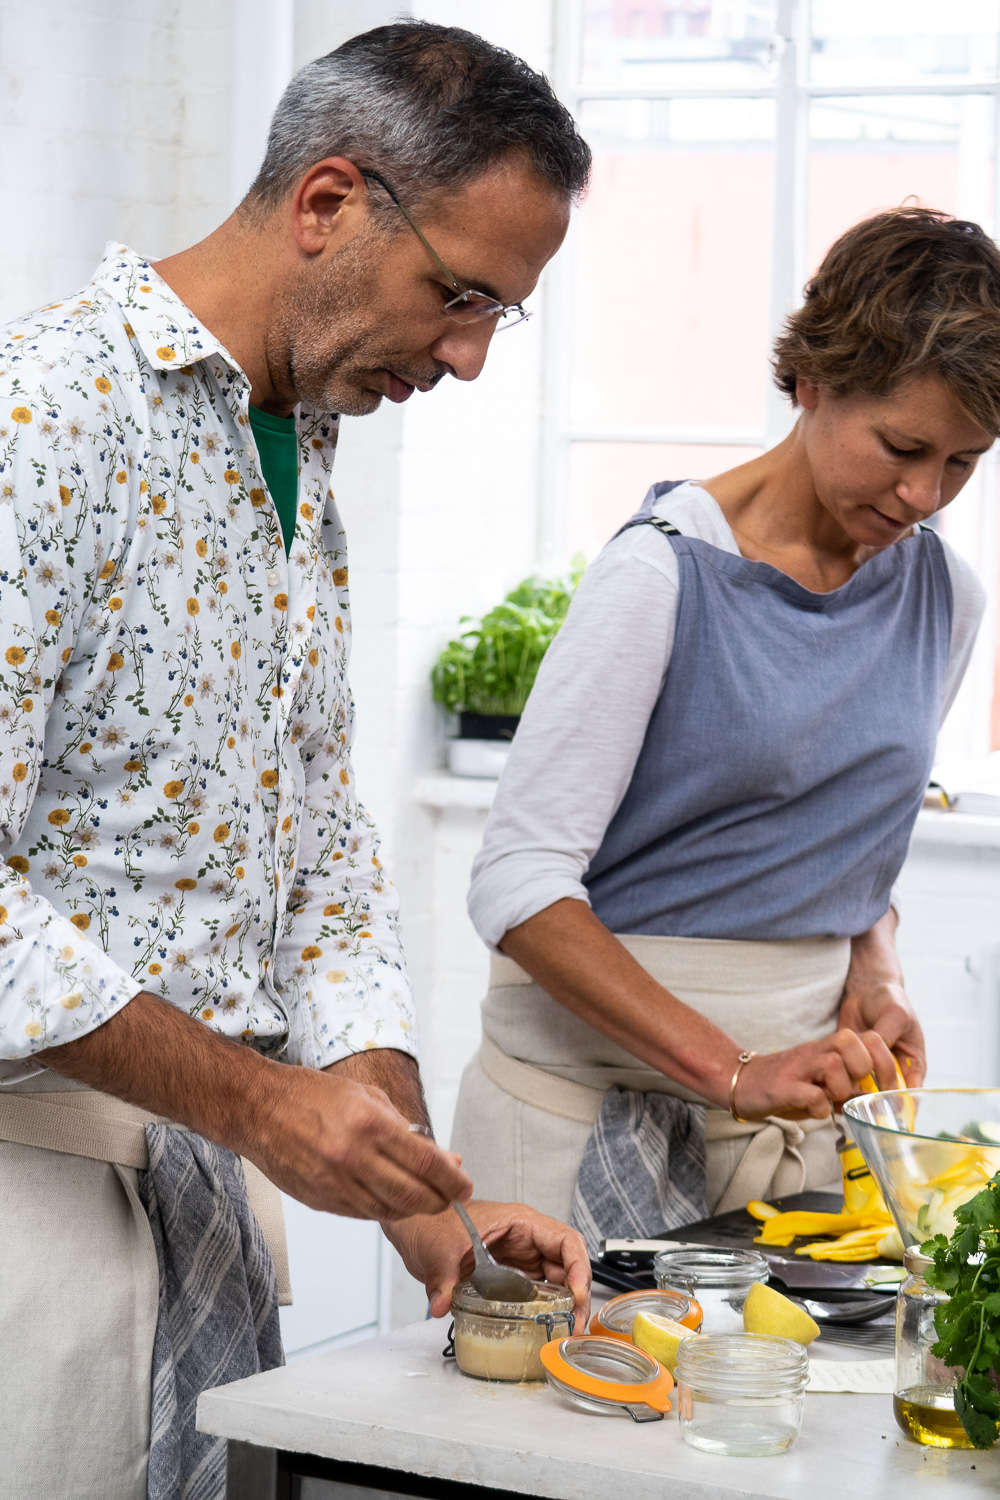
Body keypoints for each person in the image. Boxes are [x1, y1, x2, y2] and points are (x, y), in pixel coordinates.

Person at [0, 22, 592, 1500]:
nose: (462, 358)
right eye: (458, 296)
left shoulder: (295, 450)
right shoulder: (41, 419)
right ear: (328, 203)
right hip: (32, 1220)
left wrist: (425, 1200)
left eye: (495, 320)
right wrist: (266, 1107)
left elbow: (318, 853)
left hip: (202, 1207)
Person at [453, 207, 996, 1247]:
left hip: (783, 1136)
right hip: (586, 1121)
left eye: (964, 463)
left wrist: (872, 967)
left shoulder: (947, 598)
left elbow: (841, 844)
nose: (923, 494)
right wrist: (734, 1067)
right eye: (901, 446)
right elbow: (517, 886)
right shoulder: (657, 575)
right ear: (813, 381)